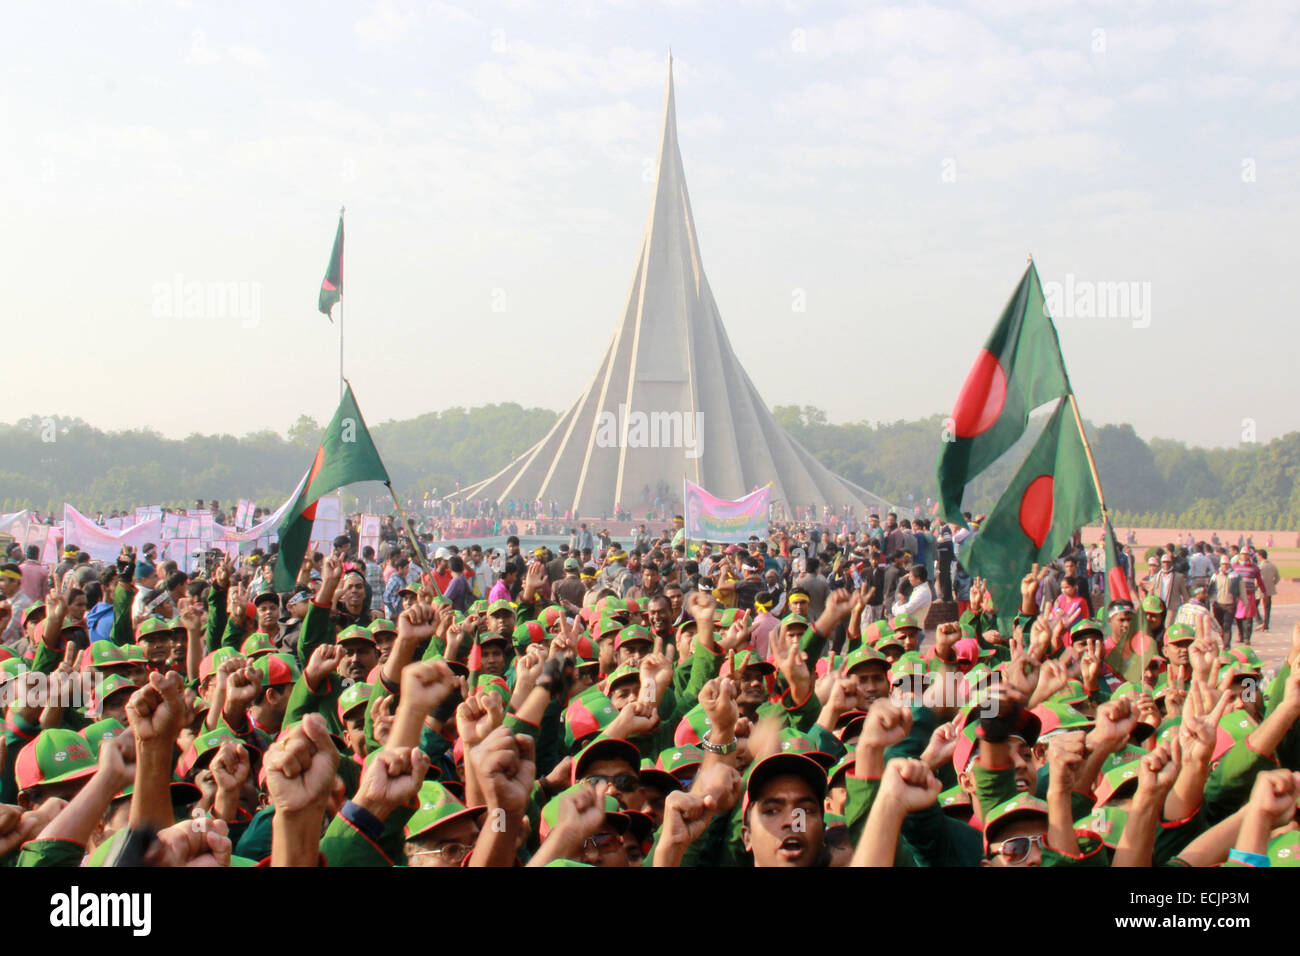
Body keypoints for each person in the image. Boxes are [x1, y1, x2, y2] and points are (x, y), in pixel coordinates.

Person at [1256, 549, 1280, 632]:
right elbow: (1277, 578)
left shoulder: (1259, 567)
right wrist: (1272, 584)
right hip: (1269, 590)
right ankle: (1266, 626)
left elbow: (1256, 579)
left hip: (1259, 589)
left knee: (1255, 606)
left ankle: (1260, 621)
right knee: (1267, 608)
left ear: (1260, 556)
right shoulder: (1272, 566)